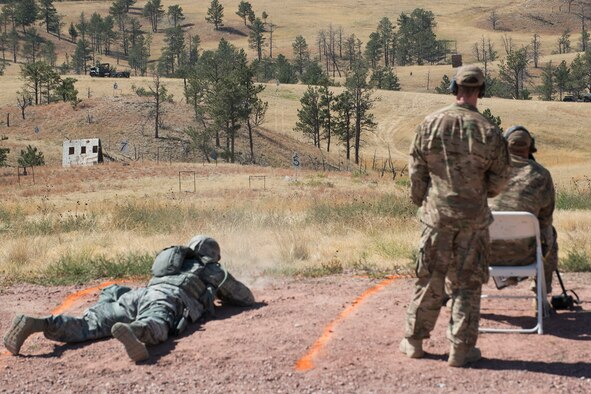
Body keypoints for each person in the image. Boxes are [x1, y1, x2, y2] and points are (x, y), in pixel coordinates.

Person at [400, 65, 510, 367]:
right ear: (481, 92)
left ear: (454, 88)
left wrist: (420, 199)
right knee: (468, 284)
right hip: (473, 221)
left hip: (436, 218)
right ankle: (460, 350)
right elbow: (500, 181)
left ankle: (414, 342)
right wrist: (477, 194)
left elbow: (416, 169)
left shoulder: (431, 123)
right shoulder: (489, 131)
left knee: (429, 279)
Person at [3, 236, 255, 362]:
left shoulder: (172, 264)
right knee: (158, 321)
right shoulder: (210, 270)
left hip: (138, 294)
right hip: (167, 298)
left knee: (89, 324)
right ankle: (135, 331)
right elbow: (244, 297)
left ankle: (41, 323)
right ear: (212, 254)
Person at [488, 126, 557, 304]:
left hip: (483, 254)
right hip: (525, 255)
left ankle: (458, 297)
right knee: (551, 234)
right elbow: (546, 220)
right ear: (529, 148)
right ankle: (540, 295)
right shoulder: (541, 175)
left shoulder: (487, 172)